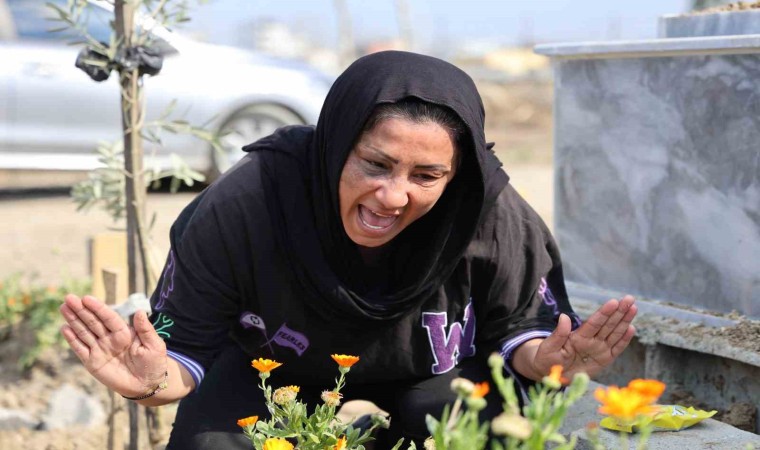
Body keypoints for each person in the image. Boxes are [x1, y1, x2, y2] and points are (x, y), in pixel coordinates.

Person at [59, 51, 637, 449]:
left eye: (426, 175)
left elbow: (521, 329)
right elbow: (185, 348)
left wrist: (547, 361)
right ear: (336, 145)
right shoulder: (251, 201)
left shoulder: (486, 210)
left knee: (460, 429)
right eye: (375, 164)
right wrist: (154, 381)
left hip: (426, 376)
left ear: (456, 176)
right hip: (273, 368)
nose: (392, 196)